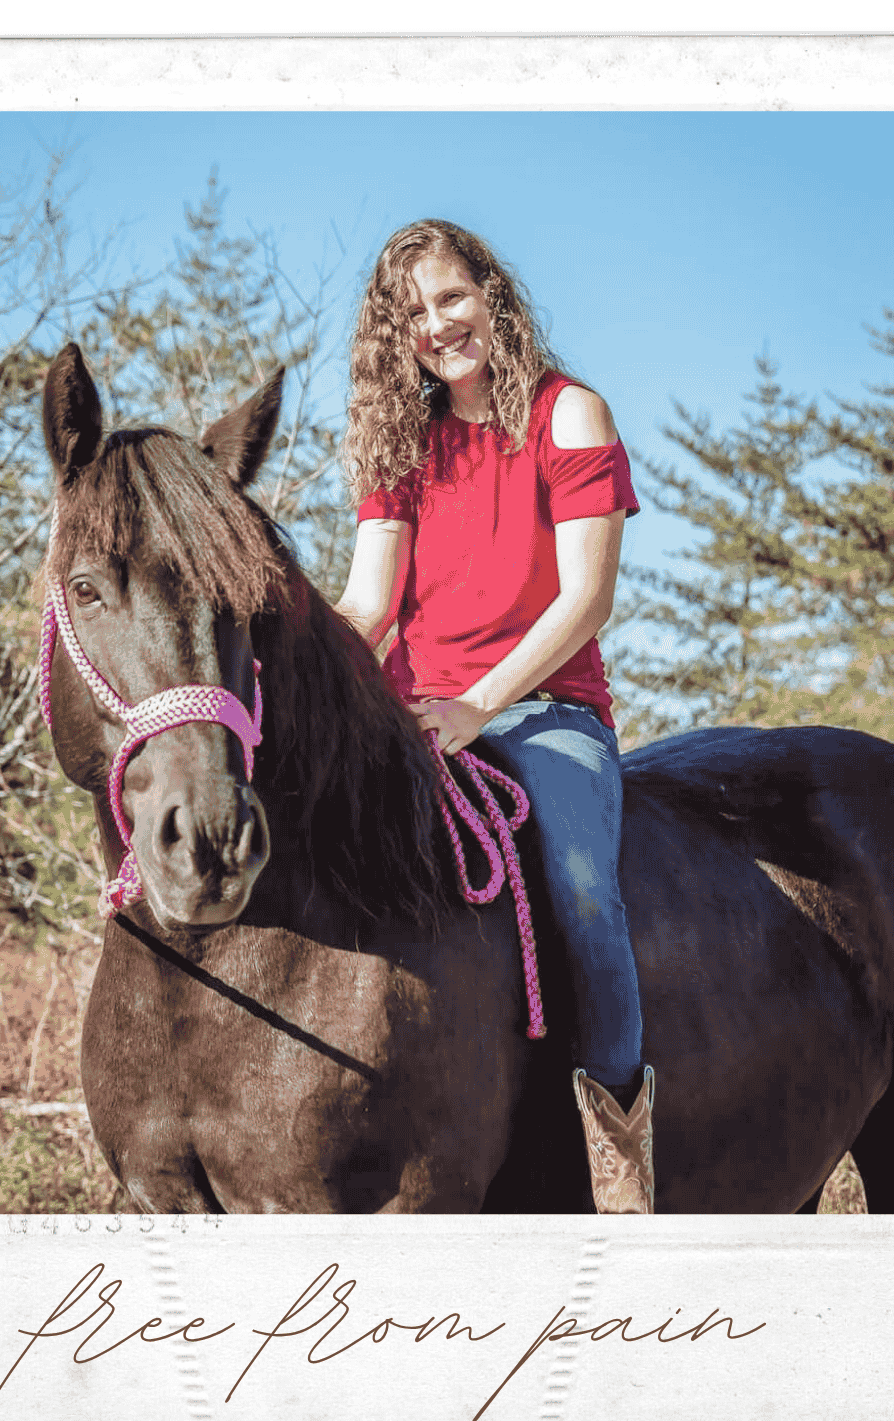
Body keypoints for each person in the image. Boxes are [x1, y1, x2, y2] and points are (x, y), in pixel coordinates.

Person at [335, 220, 655, 1214]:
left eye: (450, 298)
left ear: (491, 292)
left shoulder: (570, 416)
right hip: (419, 718)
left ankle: (618, 1144)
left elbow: (584, 602)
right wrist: (291, 655)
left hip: (541, 710)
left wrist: (480, 705)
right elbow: (369, 606)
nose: (437, 327)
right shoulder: (401, 444)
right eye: (413, 316)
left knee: (584, 892)